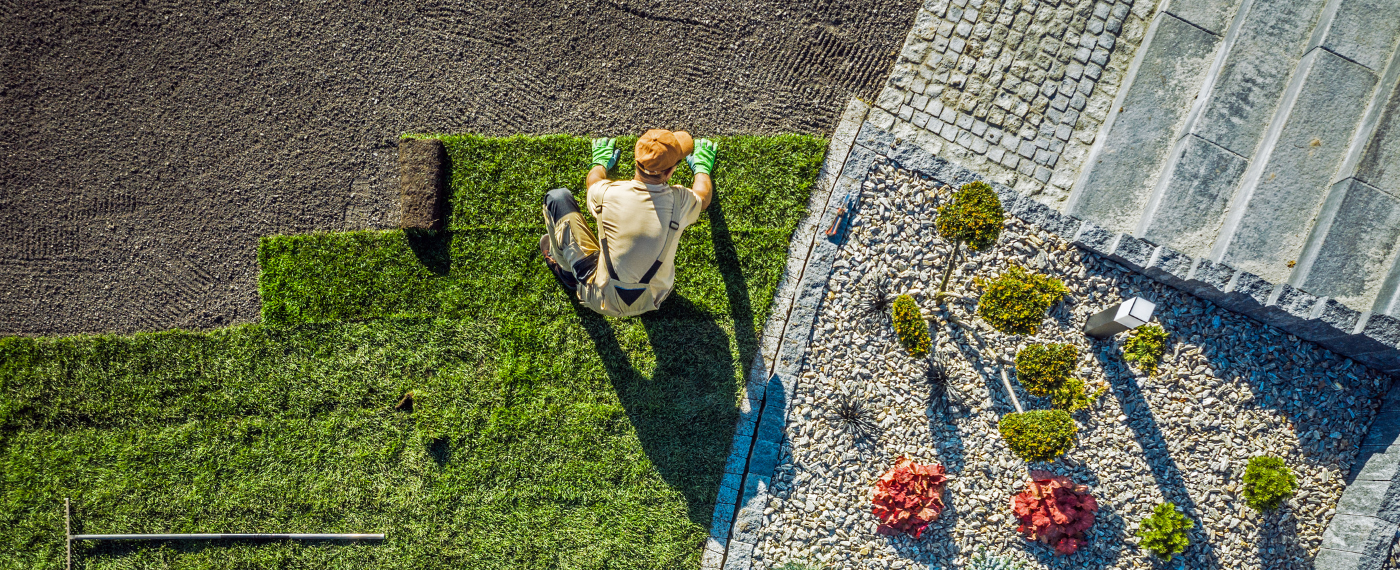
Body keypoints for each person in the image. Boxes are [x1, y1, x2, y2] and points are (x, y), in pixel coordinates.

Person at [540, 129, 718, 317]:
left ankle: (568, 275)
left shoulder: (605, 193)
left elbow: (593, 181)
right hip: (654, 297)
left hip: (600, 298)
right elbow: (703, 196)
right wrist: (701, 169)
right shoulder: (680, 202)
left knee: (558, 197)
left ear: (636, 161)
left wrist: (600, 163)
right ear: (669, 171)